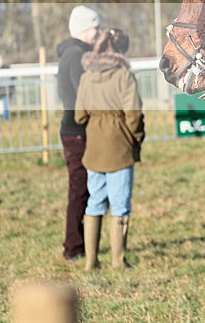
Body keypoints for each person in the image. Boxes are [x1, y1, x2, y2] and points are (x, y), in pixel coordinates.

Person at [75, 28, 144, 270]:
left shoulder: (86, 77)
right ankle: (118, 260)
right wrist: (137, 138)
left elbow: (79, 115)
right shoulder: (124, 76)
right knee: (120, 204)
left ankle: (91, 261)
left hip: (94, 147)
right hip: (119, 146)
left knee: (94, 202)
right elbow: (133, 115)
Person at [56, 5, 101, 260]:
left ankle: (80, 244)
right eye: (94, 26)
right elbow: (85, 94)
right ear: (85, 28)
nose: (97, 31)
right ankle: (73, 247)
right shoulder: (76, 55)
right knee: (79, 189)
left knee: (83, 188)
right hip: (77, 132)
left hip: (76, 130)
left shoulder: (74, 53)